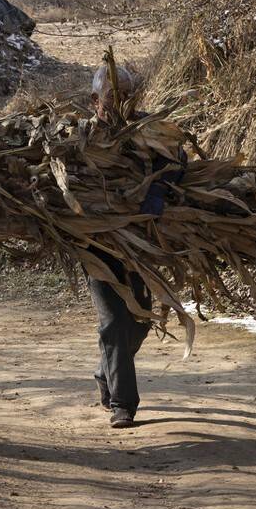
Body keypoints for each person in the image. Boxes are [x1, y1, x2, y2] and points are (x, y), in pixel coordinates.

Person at [86, 64, 185, 429]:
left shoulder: (147, 129)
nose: (122, 104)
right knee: (113, 321)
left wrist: (159, 189)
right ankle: (123, 405)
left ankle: (104, 371)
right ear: (95, 100)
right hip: (95, 243)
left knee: (139, 320)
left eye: (129, 96)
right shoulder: (80, 137)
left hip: (140, 242)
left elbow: (177, 156)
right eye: (114, 97)